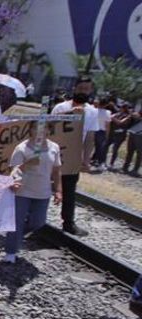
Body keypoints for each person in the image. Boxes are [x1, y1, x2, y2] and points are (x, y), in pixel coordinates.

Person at [3, 124, 62, 263]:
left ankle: (17, 236)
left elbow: (56, 170)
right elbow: (13, 170)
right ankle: (11, 251)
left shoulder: (54, 147)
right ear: (30, 130)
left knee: (38, 222)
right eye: (37, 128)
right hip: (23, 191)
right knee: (16, 222)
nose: (41, 131)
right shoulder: (22, 148)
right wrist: (26, 165)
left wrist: (58, 190)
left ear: (49, 129)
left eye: (44, 128)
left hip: (43, 192)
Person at [51, 75, 99, 236]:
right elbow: (51, 126)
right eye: (80, 88)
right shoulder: (60, 107)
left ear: (90, 91)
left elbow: (90, 137)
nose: (83, 91)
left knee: (69, 189)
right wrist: (70, 113)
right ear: (75, 88)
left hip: (72, 157)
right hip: (55, 152)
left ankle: (68, 222)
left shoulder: (92, 112)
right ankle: (33, 218)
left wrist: (86, 160)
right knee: (44, 186)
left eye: (86, 89)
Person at [108, 103, 133, 170]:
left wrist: (113, 118)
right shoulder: (118, 114)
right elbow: (111, 117)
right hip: (114, 133)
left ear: (124, 108)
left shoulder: (127, 116)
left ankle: (111, 163)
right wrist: (113, 117)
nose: (119, 108)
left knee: (115, 148)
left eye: (121, 107)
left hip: (121, 134)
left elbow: (120, 122)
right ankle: (109, 162)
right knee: (110, 147)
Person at [92, 97, 111, 169]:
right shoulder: (108, 113)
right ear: (106, 105)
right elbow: (107, 125)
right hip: (101, 131)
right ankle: (100, 163)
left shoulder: (94, 111)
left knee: (89, 146)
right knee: (100, 148)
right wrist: (107, 135)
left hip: (92, 129)